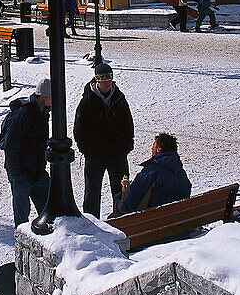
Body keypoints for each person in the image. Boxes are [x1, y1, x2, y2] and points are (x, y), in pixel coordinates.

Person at [73, 62, 134, 218]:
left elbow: (128, 124)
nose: (106, 83)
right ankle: (91, 222)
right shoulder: (87, 101)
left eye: (109, 79)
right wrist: (86, 150)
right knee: (92, 191)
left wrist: (126, 146)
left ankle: (122, 218)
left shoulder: (119, 99)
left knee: (120, 190)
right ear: (96, 81)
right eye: (103, 80)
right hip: (95, 155)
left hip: (117, 154)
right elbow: (79, 128)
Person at [1, 78, 53, 226]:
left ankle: (45, 234)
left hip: (35, 169)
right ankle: (22, 237)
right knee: (23, 211)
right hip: (22, 171)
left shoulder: (41, 112)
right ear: (44, 97)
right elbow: (11, 144)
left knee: (45, 206)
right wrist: (16, 172)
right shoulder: (25, 113)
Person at [116, 133, 192, 216]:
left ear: (158, 149)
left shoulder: (151, 171)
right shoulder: (180, 171)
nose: (152, 148)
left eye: (153, 146)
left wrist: (118, 203)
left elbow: (131, 204)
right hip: (181, 220)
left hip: (156, 222)